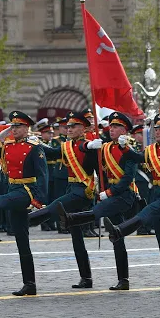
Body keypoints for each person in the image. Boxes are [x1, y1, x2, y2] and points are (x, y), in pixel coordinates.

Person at [103, 113, 160, 294]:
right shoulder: (150, 150)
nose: (157, 132)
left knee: (147, 212)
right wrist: (124, 148)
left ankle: (119, 231)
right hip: (156, 194)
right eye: (156, 129)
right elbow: (137, 158)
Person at [54, 111, 138, 290]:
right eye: (111, 126)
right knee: (117, 236)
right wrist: (90, 149)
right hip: (105, 193)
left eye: (116, 126)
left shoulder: (128, 149)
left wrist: (109, 192)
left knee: (105, 221)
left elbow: (127, 177)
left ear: (125, 130)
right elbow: (91, 167)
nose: (112, 129)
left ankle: (71, 219)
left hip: (122, 195)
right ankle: (121, 280)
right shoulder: (105, 147)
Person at [25, 111, 101, 289]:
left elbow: (88, 156)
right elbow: (52, 154)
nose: (70, 129)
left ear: (84, 128)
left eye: (74, 126)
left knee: (55, 206)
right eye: (68, 126)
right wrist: (36, 144)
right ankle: (86, 278)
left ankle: (30, 219)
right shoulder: (67, 146)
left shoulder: (89, 145)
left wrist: (92, 147)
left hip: (82, 192)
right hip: (71, 189)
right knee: (76, 237)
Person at [0, 110, 49, 296]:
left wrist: (39, 199)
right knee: (21, 240)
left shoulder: (34, 147)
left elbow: (43, 175)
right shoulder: (7, 146)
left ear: (26, 128)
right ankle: (30, 284)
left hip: (26, 191)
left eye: (18, 126)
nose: (14, 129)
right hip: (12, 189)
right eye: (13, 126)